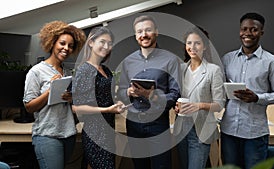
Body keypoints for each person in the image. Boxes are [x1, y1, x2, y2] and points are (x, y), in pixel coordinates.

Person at [220, 12, 274, 169]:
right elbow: (221, 91)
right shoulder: (227, 59)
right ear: (239, 31)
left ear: (261, 32)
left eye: (253, 29)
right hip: (228, 130)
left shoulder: (272, 62)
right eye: (244, 29)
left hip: (255, 134)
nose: (248, 33)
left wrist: (257, 98)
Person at [117, 15, 181, 169]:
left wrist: (150, 95)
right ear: (135, 35)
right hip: (133, 123)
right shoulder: (128, 61)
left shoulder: (170, 59)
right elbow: (121, 92)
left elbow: (175, 94)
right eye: (139, 32)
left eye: (148, 30)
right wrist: (129, 93)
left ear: (156, 32)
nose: (143, 34)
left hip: (158, 124)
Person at [23, 20, 86, 169]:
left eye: (70, 46)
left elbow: (72, 107)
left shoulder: (68, 73)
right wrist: (50, 91)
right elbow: (29, 107)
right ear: (52, 43)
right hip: (47, 136)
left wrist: (72, 99)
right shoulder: (36, 72)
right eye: (62, 43)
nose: (66, 48)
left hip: (68, 134)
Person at [72, 26, 125, 169]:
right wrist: (107, 109)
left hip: (108, 131)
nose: (106, 46)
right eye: (102, 42)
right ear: (91, 42)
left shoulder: (106, 70)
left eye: (109, 43)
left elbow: (108, 96)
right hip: (95, 133)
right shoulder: (84, 70)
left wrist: (118, 102)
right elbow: (76, 107)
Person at [173, 26, 225, 169]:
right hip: (182, 129)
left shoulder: (213, 70)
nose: (192, 47)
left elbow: (219, 104)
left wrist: (199, 105)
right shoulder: (181, 69)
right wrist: (176, 106)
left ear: (205, 46)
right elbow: (176, 96)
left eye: (197, 43)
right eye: (189, 43)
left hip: (201, 130)